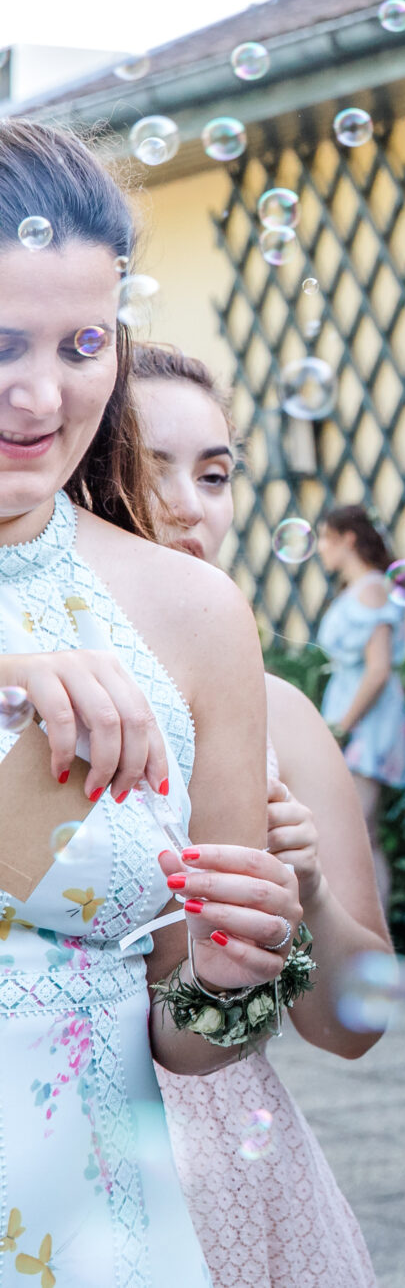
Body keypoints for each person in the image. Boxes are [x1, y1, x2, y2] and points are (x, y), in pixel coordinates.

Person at [0, 120, 301, 1286]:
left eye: (82, 343)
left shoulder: (194, 614)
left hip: (92, 1226)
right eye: (0, 342)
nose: (39, 394)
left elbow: (188, 1041)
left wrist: (228, 981)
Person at [132, 341, 389, 1288]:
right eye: (144, 466)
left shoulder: (279, 713)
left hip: (233, 1180)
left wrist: (310, 893)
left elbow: (357, 1027)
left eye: (215, 472)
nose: (188, 505)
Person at [313, 503, 405, 860]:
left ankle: (368, 917)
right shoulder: (364, 587)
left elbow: (378, 669)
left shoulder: (370, 590)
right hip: (355, 719)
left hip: (364, 725)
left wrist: (342, 727)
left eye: (326, 537)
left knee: (357, 836)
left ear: (348, 539)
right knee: (360, 837)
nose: (321, 546)